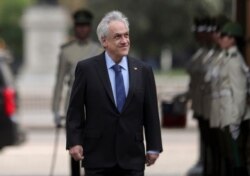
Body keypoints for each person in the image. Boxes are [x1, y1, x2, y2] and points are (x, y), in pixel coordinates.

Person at [66, 10, 163, 176]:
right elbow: (75, 110)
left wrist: (154, 146)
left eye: (126, 35)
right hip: (98, 157)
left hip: (132, 157)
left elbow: (151, 112)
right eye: (118, 37)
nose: (125, 41)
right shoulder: (87, 69)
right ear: (104, 41)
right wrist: (74, 142)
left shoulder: (143, 70)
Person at [52, 9, 103, 176]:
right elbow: (59, 82)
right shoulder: (66, 51)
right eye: (79, 26)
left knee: (94, 147)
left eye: (85, 26)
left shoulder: (98, 49)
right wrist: (56, 110)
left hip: (95, 105)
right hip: (73, 106)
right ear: (75, 28)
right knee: (74, 147)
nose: (82, 29)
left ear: (90, 28)